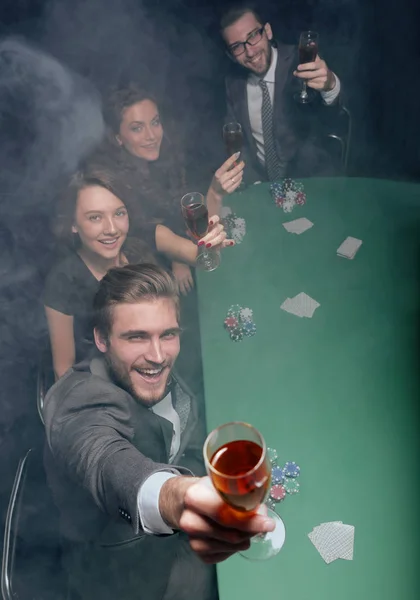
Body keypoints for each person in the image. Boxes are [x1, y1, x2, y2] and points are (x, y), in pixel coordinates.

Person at [43, 263, 275, 600]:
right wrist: (177, 495)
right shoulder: (79, 406)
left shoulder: (148, 371)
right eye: (136, 337)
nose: (157, 356)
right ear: (101, 339)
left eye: (168, 334)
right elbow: (106, 461)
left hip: (180, 537)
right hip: (128, 573)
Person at [44, 166, 232, 380]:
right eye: (95, 218)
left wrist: (214, 197)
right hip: (109, 379)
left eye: (119, 213)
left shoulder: (141, 239)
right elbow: (64, 372)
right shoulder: (63, 282)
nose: (112, 229)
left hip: (164, 358)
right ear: (73, 224)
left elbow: (205, 258)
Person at [92, 84, 245, 292]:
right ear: (118, 138)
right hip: (148, 280)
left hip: (180, 251)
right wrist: (215, 194)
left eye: (155, 123)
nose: (152, 136)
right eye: (137, 128)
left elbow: (194, 221)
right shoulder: (116, 192)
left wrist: (213, 196)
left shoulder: (167, 154)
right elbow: (203, 256)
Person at [220, 3, 342, 188]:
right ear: (230, 54)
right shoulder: (233, 83)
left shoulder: (299, 61)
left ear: (267, 31)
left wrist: (330, 85)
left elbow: (334, 116)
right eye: (237, 47)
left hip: (312, 183)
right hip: (265, 188)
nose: (250, 52)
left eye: (253, 36)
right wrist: (256, 184)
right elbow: (238, 144)